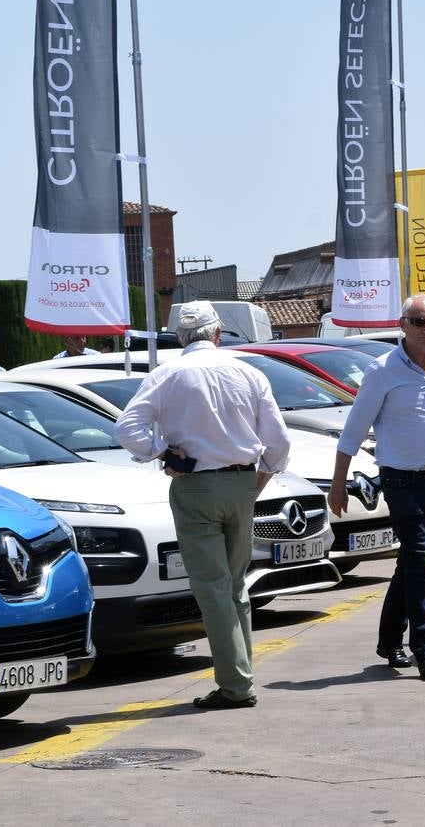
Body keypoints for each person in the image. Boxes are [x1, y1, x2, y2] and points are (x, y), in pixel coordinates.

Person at [114, 300, 290, 710]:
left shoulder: (168, 373)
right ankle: (240, 676)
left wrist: (162, 453)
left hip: (195, 485)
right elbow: (279, 443)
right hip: (243, 481)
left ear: (180, 336)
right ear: (216, 333)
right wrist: (259, 479)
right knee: (234, 585)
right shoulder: (248, 371)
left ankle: (236, 685)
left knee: (212, 588)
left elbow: (128, 428)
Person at [328, 294, 425, 680]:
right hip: (400, 480)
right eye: (419, 321)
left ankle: (389, 639)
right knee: (421, 558)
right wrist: (338, 485)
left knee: (410, 563)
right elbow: (353, 432)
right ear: (401, 325)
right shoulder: (383, 370)